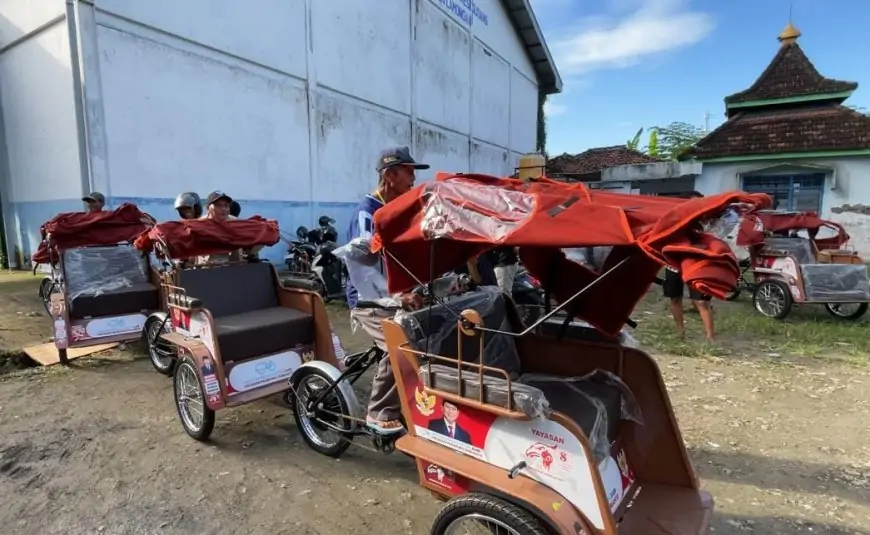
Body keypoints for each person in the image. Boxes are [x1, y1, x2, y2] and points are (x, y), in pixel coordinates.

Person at [347, 146, 428, 435]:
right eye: (409, 171)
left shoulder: (398, 210)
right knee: (401, 343)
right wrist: (396, 297)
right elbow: (363, 269)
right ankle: (378, 413)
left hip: (395, 293)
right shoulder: (367, 214)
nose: (413, 177)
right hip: (369, 298)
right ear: (390, 175)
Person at [663, 266, 715, 342]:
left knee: (702, 301)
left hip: (695, 265)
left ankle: (710, 337)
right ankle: (680, 333)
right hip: (673, 265)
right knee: (675, 299)